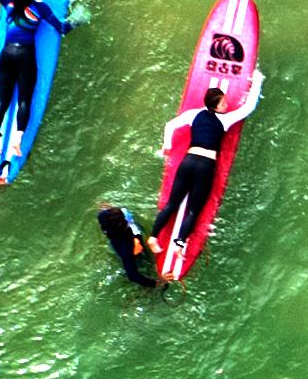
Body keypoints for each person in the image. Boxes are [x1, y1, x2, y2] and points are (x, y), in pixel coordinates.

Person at [147, 69, 265, 277]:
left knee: (172, 204)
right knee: (193, 210)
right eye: (223, 103)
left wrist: (166, 145)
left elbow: (170, 125)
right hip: (204, 166)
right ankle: (179, 244)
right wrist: (257, 80)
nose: (226, 105)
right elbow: (249, 107)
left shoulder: (194, 115)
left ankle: (154, 237)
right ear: (215, 106)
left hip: (188, 161)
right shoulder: (226, 120)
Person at [0, 0, 72, 159]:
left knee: (3, 100)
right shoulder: (40, 8)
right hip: (25, 56)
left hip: (6, 54)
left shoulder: (8, 1)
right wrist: (77, 20)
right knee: (24, 99)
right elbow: (61, 29)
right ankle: (16, 141)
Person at [97, 202, 157, 289]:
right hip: (131, 244)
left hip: (130, 246)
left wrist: (156, 283)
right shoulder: (126, 245)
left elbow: (133, 276)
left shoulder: (124, 245)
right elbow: (132, 276)